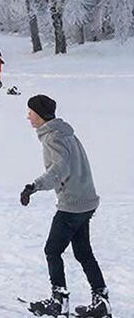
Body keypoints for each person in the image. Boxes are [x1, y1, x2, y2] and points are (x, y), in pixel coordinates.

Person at [20, 96, 110, 318]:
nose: (28, 116)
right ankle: (102, 301)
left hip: (72, 205)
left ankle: (58, 301)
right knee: (83, 253)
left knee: (52, 250)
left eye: (30, 111)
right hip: (85, 201)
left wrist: (34, 186)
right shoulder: (65, 133)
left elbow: (60, 170)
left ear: (40, 114)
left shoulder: (54, 137)